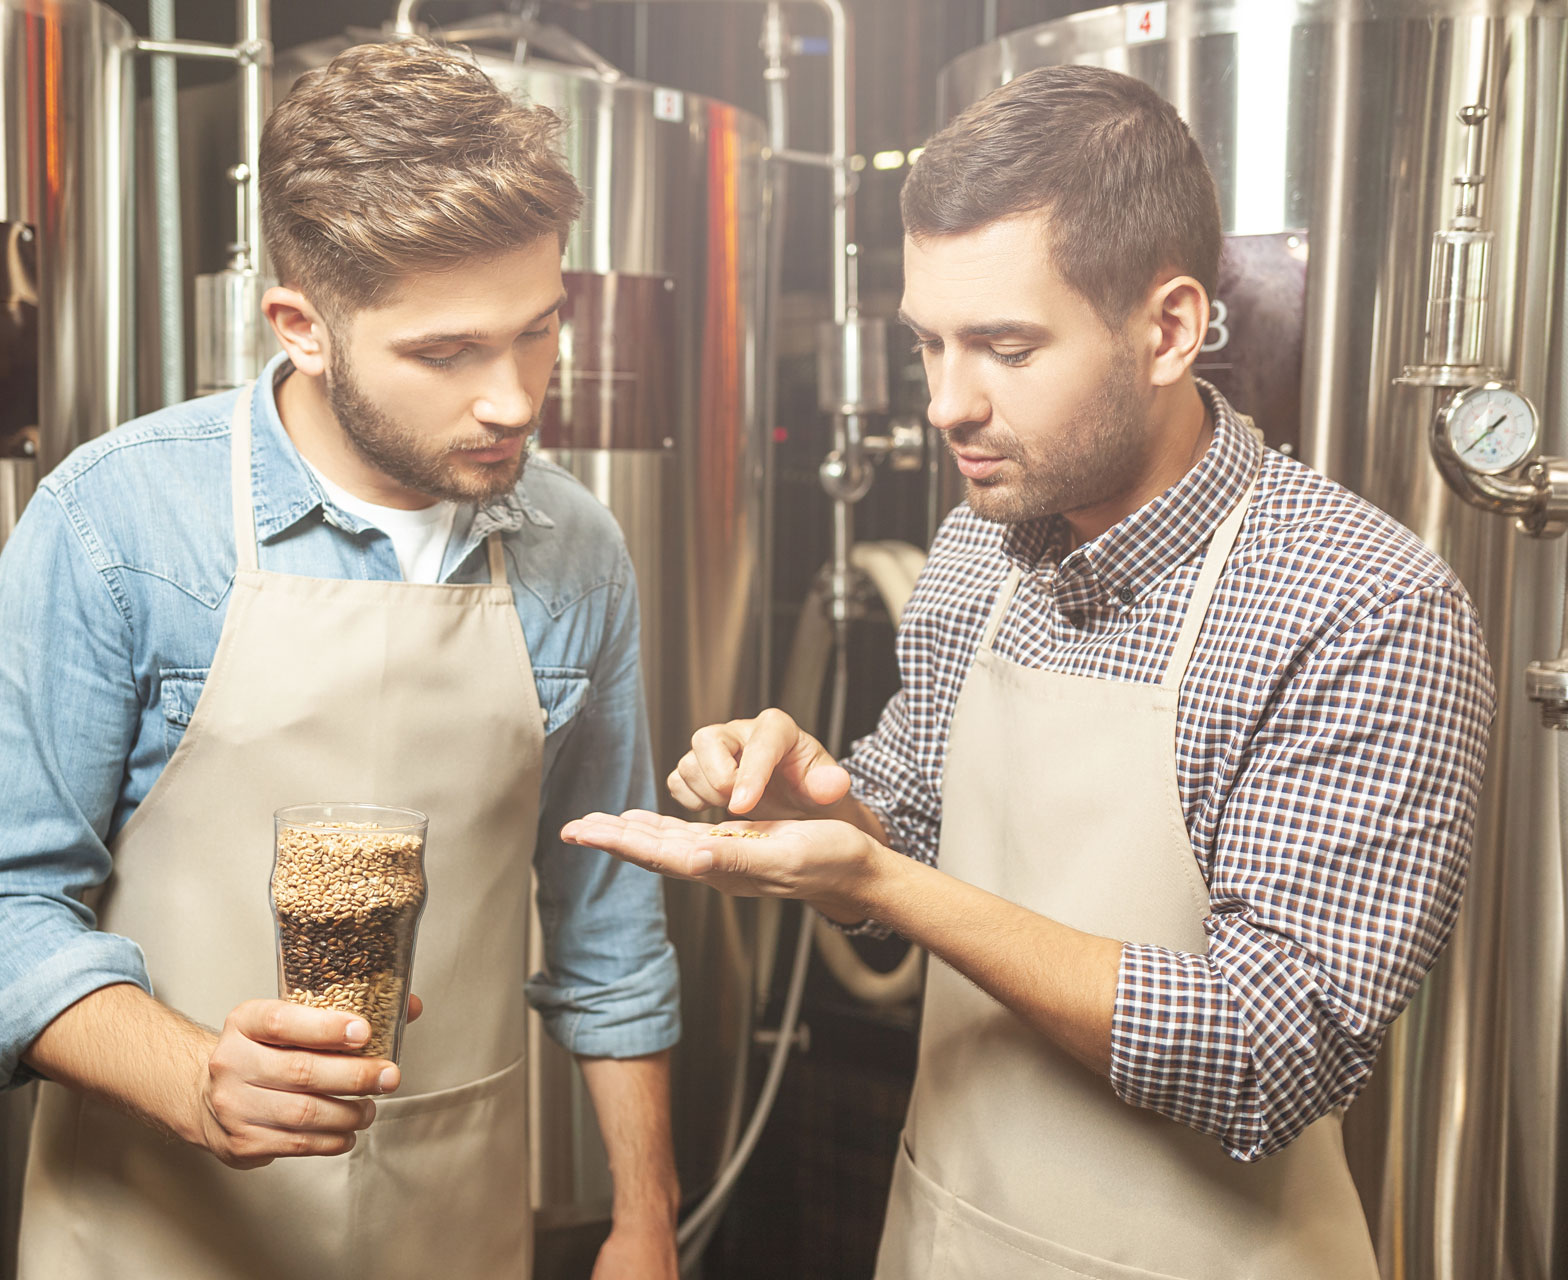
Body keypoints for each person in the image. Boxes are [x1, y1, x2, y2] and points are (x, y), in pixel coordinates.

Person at [564, 65, 1493, 1278]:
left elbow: (1269, 1050)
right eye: (928, 344)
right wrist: (825, 810)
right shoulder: (974, 548)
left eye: (1005, 346)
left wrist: (885, 885)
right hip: (947, 1225)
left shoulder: (1361, 604)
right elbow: (913, 823)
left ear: (1168, 328)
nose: (949, 403)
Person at [0, 39, 681, 1280]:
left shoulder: (578, 551)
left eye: (539, 331)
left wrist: (646, 1217)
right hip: (155, 1225)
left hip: (455, 1217)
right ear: (302, 326)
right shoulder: (118, 526)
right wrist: (198, 1080)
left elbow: (609, 922)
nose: (514, 400)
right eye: (446, 354)